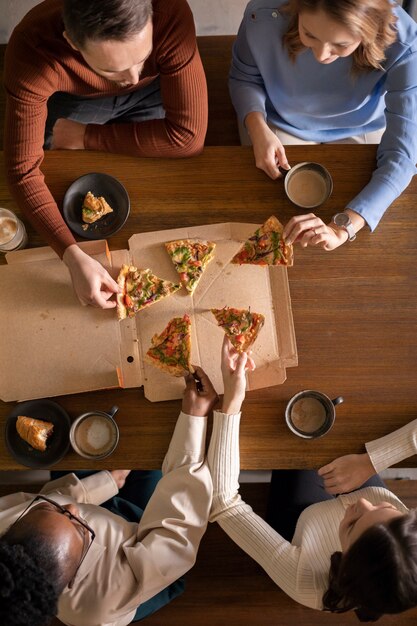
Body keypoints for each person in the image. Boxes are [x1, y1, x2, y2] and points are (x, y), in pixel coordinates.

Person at [4, 0, 208, 309]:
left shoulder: (170, 12)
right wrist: (72, 256)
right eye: (112, 67)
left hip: (156, 91)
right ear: (73, 42)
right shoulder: (32, 48)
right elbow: (23, 171)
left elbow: (188, 138)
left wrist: (87, 136)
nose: (132, 78)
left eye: (142, 57)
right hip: (73, 100)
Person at [208, 336, 417, 621]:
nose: (360, 503)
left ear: (344, 560)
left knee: (291, 442)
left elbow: (224, 502)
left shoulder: (303, 579)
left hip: (301, 524)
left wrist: (232, 400)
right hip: (350, 488)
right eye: (385, 508)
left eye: (353, 525)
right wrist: (372, 461)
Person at [0, 367, 218, 626]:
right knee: (162, 446)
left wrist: (106, 483)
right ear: (72, 580)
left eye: (51, 509)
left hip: (95, 499)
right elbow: (178, 529)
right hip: (141, 542)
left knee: (72, 417)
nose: (72, 507)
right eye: (78, 526)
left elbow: (63, 499)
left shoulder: (4, 521)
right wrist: (195, 416)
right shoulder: (104, 603)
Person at [229, 0, 417, 250]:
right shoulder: (262, 13)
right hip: (279, 118)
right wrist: (256, 126)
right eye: (309, 34)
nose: (321, 55)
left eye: (341, 45)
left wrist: (344, 227)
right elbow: (244, 77)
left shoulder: (406, 43)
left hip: (362, 123)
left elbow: (402, 156)